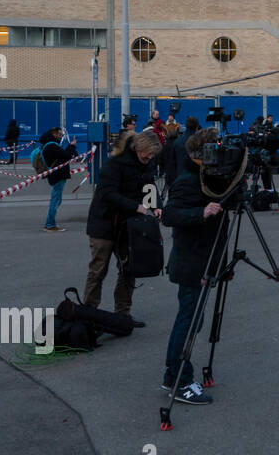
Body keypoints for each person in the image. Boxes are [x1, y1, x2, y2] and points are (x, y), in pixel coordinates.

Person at [160, 128, 227, 405]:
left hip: (202, 259)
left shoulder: (203, 177)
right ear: (202, 153)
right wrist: (202, 212)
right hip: (193, 262)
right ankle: (180, 381)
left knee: (191, 320)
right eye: (215, 149)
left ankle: (171, 374)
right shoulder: (188, 180)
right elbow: (170, 215)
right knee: (188, 322)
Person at [84, 130, 161, 325]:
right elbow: (107, 193)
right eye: (147, 154)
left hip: (129, 226)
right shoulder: (115, 164)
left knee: (130, 268)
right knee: (98, 270)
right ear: (137, 148)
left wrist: (156, 205)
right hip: (104, 223)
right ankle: (88, 313)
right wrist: (135, 206)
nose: (150, 158)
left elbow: (149, 186)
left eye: (153, 155)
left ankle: (123, 313)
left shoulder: (148, 163)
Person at [40, 127, 78, 231]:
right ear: (54, 134)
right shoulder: (52, 146)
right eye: (60, 134)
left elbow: (62, 156)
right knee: (55, 200)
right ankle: (50, 224)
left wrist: (70, 147)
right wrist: (72, 146)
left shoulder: (49, 145)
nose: (61, 136)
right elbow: (66, 156)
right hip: (57, 175)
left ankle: (50, 223)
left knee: (57, 199)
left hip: (56, 175)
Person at [159, 121, 182, 187]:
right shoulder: (180, 145)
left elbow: (161, 162)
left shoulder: (164, 147)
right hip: (179, 175)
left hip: (169, 175)